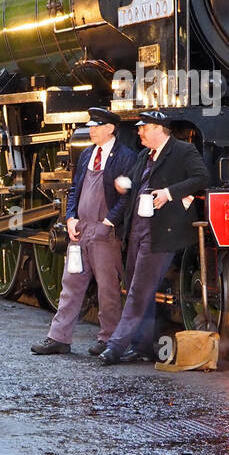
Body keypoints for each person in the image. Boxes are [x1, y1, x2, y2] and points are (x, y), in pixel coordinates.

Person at [98, 111, 210, 366]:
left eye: (143, 128)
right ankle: (143, 346)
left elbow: (202, 178)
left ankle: (116, 346)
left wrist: (170, 193)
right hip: (138, 228)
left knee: (139, 290)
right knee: (139, 288)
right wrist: (125, 184)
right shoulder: (143, 156)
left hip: (163, 231)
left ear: (159, 128)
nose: (139, 132)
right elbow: (137, 184)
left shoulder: (183, 151)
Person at [31, 108, 135, 356]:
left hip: (104, 232)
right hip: (80, 229)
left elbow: (129, 195)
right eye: (91, 126)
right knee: (71, 283)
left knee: (108, 288)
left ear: (110, 129)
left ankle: (109, 338)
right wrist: (70, 217)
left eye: (97, 126)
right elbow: (75, 188)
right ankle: (59, 337)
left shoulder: (125, 157)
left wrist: (109, 222)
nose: (92, 130)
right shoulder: (88, 153)